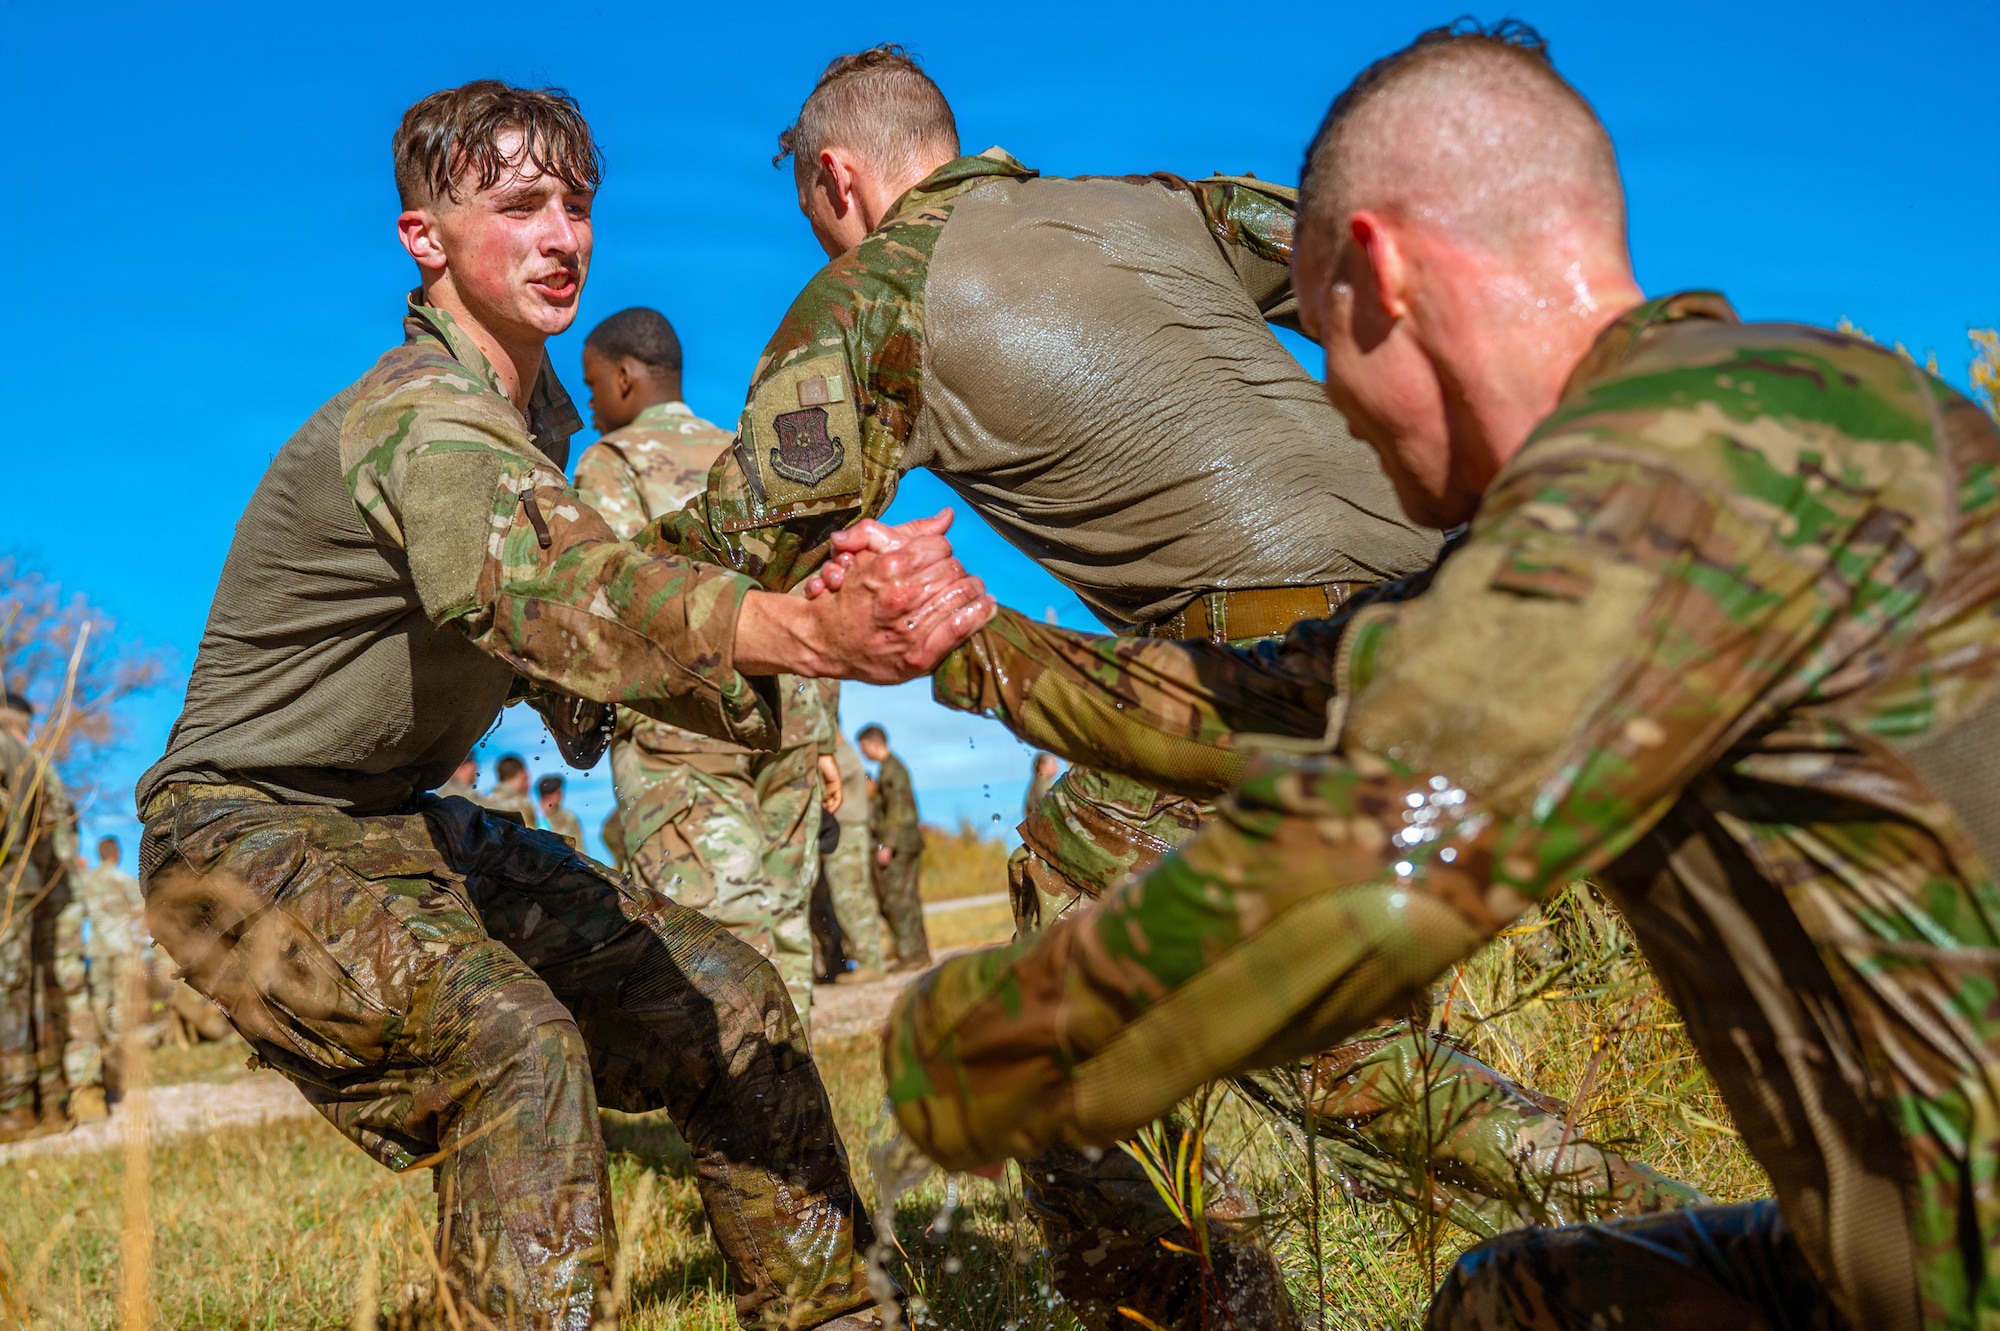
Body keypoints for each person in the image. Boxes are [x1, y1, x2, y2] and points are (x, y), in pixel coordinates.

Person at [882, 22, 2000, 1331]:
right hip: (1896, 1258)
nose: (1342, 412)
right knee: (1512, 1301)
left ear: (1379, 275)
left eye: (1323, 340)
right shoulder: (1680, 463)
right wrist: (967, 642)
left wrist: (971, 1048)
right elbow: (1270, 701)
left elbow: (1357, 877)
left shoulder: (1679, 464)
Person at [659, 43, 1688, 1328]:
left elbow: (726, 559)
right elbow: (1362, 263)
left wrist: (563, 645)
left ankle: (1666, 1242)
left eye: (812, 213)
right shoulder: (1158, 204)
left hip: (1272, 675)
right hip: (1460, 597)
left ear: (835, 179)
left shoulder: (871, 294)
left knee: (1121, 1007)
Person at [135, 80, 990, 1329]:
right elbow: (556, 588)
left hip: (393, 826)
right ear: (424, 238)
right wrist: (800, 633)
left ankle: (841, 1311)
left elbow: (589, 642)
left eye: (577, 205)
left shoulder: (534, 423)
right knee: (512, 1044)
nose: (562, 236)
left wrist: (804, 573)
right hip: (233, 839)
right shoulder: (420, 417)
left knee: (736, 998)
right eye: (520, 205)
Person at [574, 306, 836, 1025]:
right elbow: (811, 589)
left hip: (683, 716)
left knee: (714, 938)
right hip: (793, 711)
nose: (590, 406)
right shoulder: (743, 455)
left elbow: (603, 595)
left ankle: (753, 1094)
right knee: (786, 917)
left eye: (592, 387)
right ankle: (795, 1085)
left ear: (625, 378)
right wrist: (825, 734)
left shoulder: (612, 462)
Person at [3, 693, 102, 1128]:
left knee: (22, 992)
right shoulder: (44, 768)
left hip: (25, 892)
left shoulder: (15, 760)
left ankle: (33, 1103)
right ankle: (81, 1093)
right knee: (62, 989)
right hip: (55, 895)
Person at [73, 834, 147, 1094]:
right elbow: (140, 911)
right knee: (124, 1003)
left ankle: (102, 1048)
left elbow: (80, 910)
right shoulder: (124, 880)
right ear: (116, 854)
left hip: (96, 950)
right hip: (122, 948)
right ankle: (122, 1057)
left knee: (99, 1002)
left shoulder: (87, 882)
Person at [857, 725, 927, 971]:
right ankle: (915, 954)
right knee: (906, 898)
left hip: (900, 844)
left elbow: (897, 810)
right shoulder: (891, 768)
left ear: (874, 743)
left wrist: (888, 844)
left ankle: (911, 955)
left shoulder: (892, 770)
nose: (862, 753)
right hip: (905, 842)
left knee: (898, 900)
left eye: (863, 747)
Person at [826, 719, 886, 974]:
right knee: (852, 896)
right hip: (847, 832)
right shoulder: (843, 754)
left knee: (851, 898)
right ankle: (867, 959)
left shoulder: (843, 756)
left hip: (849, 833)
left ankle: (870, 962)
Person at [482, 752, 541, 827]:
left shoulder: (485, 803)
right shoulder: (522, 804)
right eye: (527, 779)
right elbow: (530, 833)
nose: (529, 784)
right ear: (522, 775)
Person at [1023, 752, 1059, 821]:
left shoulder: (1035, 784)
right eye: (1053, 763)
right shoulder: (1043, 785)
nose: (1057, 767)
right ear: (1042, 766)